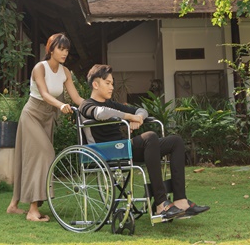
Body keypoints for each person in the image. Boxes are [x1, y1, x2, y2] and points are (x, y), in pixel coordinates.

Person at [79, 64, 209, 220]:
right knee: (149, 137)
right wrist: (129, 117)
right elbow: (101, 113)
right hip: (105, 152)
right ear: (95, 84)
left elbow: (142, 110)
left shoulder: (112, 104)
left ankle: (180, 200)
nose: (111, 87)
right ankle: (161, 203)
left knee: (176, 141)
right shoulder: (86, 105)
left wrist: (138, 117)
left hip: (123, 148)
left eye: (112, 83)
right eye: (108, 83)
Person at [6, 33, 84, 222]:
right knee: (46, 154)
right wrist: (60, 105)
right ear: (51, 49)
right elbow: (44, 93)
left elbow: (76, 98)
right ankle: (33, 210)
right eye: (60, 49)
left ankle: (13, 205)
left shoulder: (65, 72)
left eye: (66, 50)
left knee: (31, 159)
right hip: (32, 115)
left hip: (47, 118)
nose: (64, 53)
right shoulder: (39, 68)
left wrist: (96, 107)